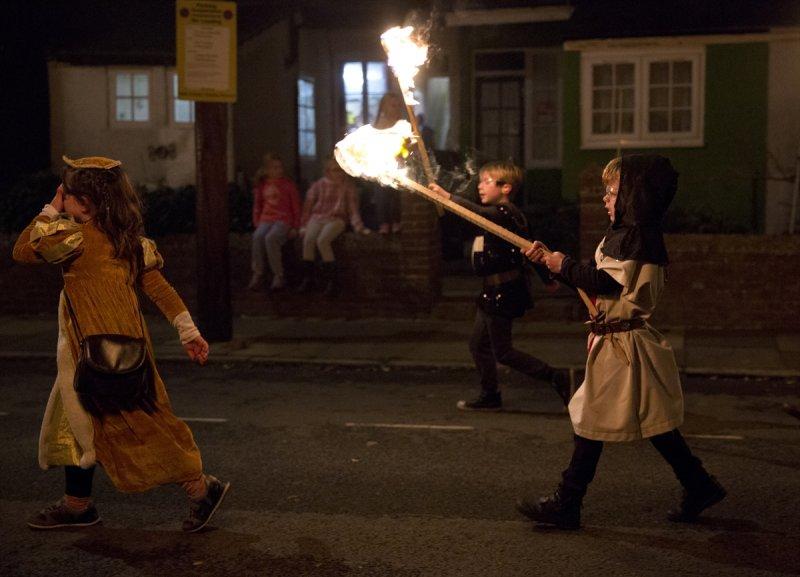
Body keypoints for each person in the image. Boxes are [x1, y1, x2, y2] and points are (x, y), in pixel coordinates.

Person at [13, 155, 230, 533]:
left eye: (69, 194)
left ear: (87, 201)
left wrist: (48, 209)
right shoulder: (129, 240)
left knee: (137, 424)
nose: (63, 199)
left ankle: (201, 489)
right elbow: (159, 288)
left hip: (99, 353)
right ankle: (77, 505)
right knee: (75, 419)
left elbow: (22, 249)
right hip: (118, 348)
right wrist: (188, 331)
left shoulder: (72, 239)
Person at [516, 154, 726, 529]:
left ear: (633, 194)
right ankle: (700, 485)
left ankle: (568, 502)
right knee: (655, 422)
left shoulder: (633, 235)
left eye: (612, 191)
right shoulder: (631, 234)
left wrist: (562, 265)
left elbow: (607, 283)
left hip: (623, 347)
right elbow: (596, 285)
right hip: (624, 343)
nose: (606, 199)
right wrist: (548, 261)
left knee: (590, 422)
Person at [428, 161, 571, 411]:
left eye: (487, 181)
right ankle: (490, 394)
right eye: (480, 181)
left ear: (506, 187)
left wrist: (449, 197)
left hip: (505, 292)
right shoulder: (492, 216)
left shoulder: (506, 214)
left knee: (503, 352)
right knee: (478, 344)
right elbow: (528, 246)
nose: (480, 186)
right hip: (491, 292)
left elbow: (525, 243)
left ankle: (556, 377)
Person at [297, 158, 370, 296]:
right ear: (328, 172)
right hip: (318, 217)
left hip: (337, 218)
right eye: (335, 170)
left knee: (323, 240)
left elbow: (352, 209)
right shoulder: (318, 185)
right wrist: (303, 225)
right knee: (308, 240)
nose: (339, 174)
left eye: (341, 170)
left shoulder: (348, 187)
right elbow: (308, 206)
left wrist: (358, 226)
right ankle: (309, 278)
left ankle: (332, 281)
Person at [249, 152, 301, 291]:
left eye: (280, 167)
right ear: (267, 170)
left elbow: (295, 207)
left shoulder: (288, 185)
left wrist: (295, 226)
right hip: (266, 219)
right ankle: (258, 272)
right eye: (275, 168)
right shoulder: (262, 186)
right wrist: (257, 222)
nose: (279, 171)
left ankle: (278, 274)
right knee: (258, 237)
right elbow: (257, 205)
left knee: (271, 239)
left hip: (283, 219)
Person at [370, 93, 405, 235]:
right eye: (392, 105)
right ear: (384, 107)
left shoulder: (402, 125)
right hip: (381, 166)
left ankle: (397, 222)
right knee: (381, 194)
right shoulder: (377, 126)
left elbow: (406, 147)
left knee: (395, 194)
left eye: (397, 106)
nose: (394, 109)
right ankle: (384, 223)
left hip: (397, 166)